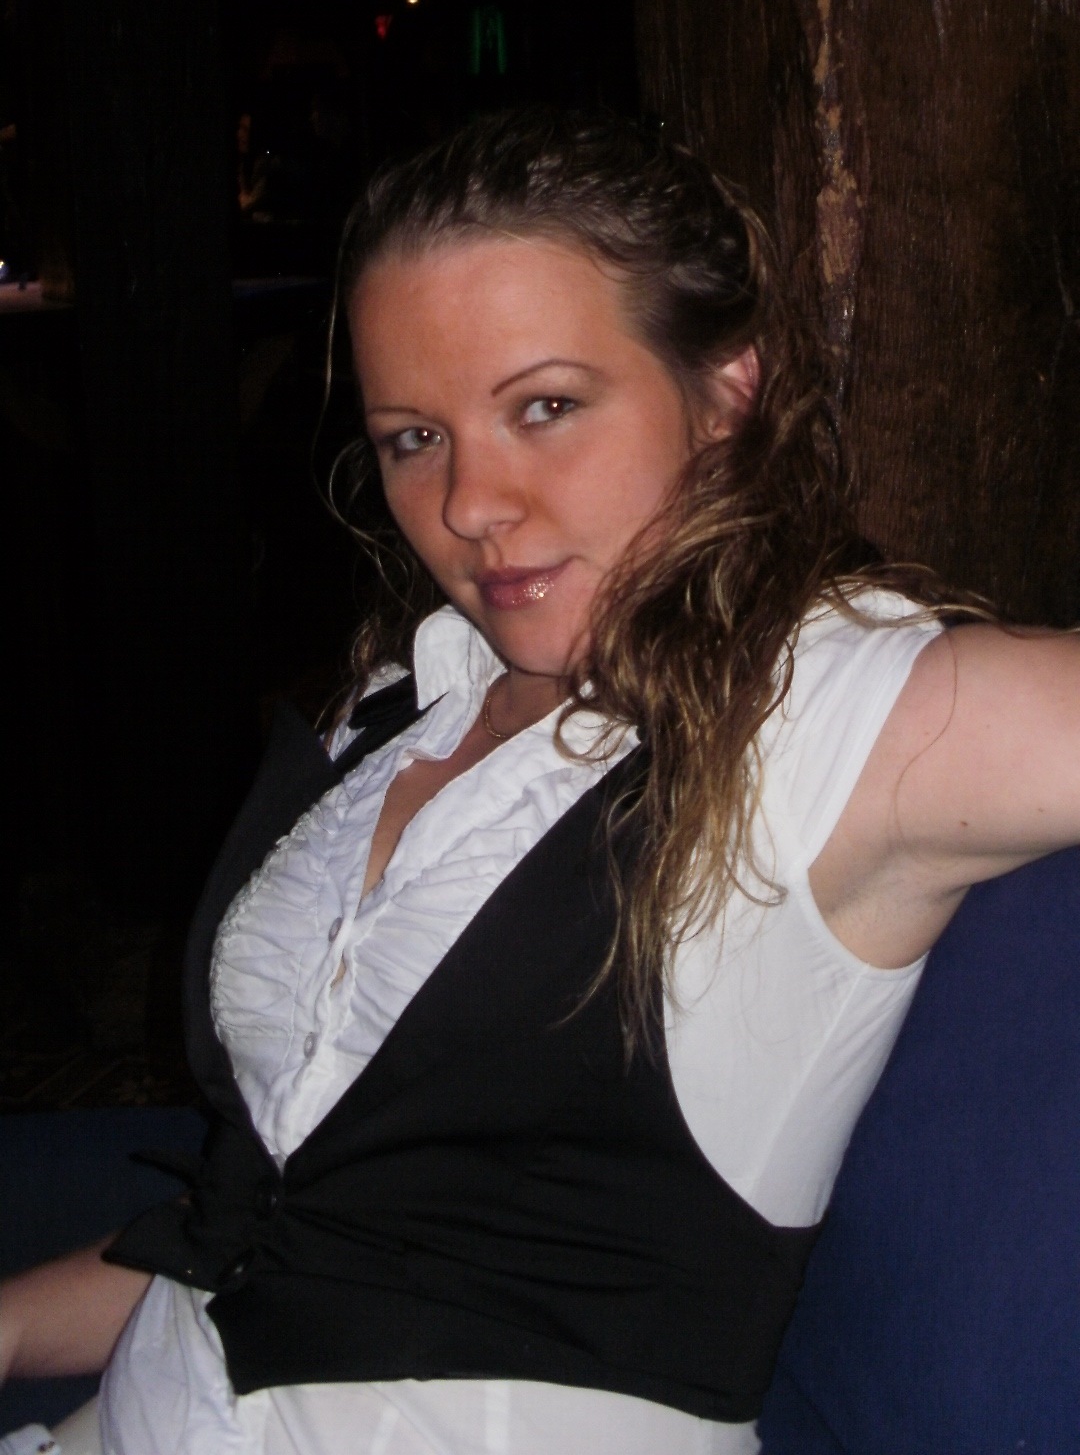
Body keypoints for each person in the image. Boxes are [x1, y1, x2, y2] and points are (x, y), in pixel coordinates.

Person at [1, 107, 1078, 1455]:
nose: (469, 505)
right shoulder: (403, 702)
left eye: (546, 407)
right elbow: (271, 1218)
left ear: (726, 393)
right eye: (414, 436)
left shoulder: (828, 717)